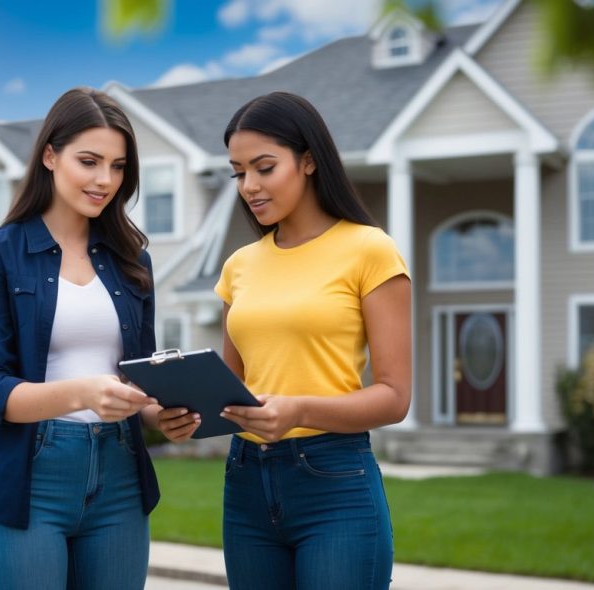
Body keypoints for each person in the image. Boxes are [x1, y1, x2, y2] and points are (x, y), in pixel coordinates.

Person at [159, 91, 412, 590]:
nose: (248, 186)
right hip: (246, 482)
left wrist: (298, 411)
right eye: (237, 172)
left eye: (264, 167)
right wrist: (185, 415)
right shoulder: (240, 265)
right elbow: (233, 390)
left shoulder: (369, 250)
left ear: (310, 161)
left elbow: (394, 397)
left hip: (334, 483)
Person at [0, 87, 164, 590]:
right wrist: (82, 393)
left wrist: (169, 414)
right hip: (29, 480)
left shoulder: (133, 261)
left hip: (120, 478)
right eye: (89, 161)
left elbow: (142, 379)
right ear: (50, 155)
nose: (104, 180)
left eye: (118, 167)